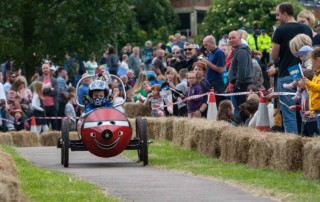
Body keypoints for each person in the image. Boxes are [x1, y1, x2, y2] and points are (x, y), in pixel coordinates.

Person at [269, 2, 313, 134]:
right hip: (306, 73)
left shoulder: (280, 30)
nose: (276, 18)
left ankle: (292, 143)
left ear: (285, 14)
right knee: (305, 111)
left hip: (286, 74)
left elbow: (274, 55)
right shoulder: (306, 28)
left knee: (289, 113)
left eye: (278, 15)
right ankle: (306, 138)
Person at [228, 30, 253, 112]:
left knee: (242, 110)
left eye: (233, 38)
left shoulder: (241, 51)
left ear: (240, 38)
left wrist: (238, 84)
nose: (231, 40)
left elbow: (242, 69)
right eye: (230, 38)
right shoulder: (238, 50)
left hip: (242, 85)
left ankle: (243, 124)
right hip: (241, 84)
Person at [290, 69, 319, 137]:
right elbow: (304, 106)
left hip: (313, 122)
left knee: (313, 140)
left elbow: (316, 106)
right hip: (304, 121)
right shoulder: (303, 93)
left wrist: (310, 111)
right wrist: (296, 107)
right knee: (303, 139)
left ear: (306, 81)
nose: (298, 82)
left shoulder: (312, 93)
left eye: (299, 80)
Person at [202, 35, 226, 106]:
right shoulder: (211, 53)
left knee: (218, 104)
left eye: (206, 45)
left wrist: (206, 62)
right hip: (210, 82)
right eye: (204, 45)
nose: (205, 47)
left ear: (212, 42)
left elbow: (220, 69)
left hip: (217, 83)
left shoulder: (219, 52)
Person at [301, 47, 320, 133]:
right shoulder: (316, 74)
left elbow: (318, 88)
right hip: (316, 109)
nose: (312, 64)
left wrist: (308, 83)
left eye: (312, 61)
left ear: (318, 59)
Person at [38, 62, 59, 130]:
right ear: (42, 70)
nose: (45, 69)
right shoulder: (39, 80)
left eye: (46, 68)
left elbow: (56, 92)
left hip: (53, 106)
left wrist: (44, 91)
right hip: (42, 106)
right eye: (43, 68)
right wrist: (49, 89)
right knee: (44, 126)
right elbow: (38, 92)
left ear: (49, 69)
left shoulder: (54, 80)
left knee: (55, 125)